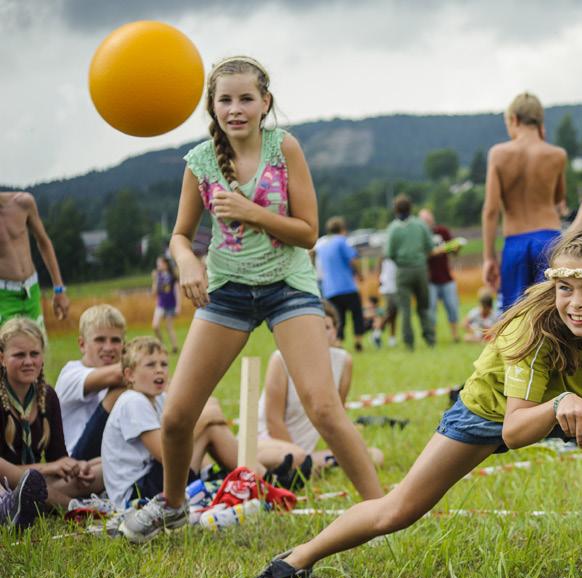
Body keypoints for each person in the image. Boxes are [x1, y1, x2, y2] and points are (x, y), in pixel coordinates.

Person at [249, 227, 582, 578]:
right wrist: (562, 403)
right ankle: (293, 563)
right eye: (566, 288)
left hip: (574, 401)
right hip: (492, 415)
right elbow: (518, 430)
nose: (577, 302)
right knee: (398, 509)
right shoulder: (534, 331)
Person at [119, 56, 383, 543]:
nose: (235, 109)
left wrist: (249, 210)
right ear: (212, 106)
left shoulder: (285, 148)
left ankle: (383, 512)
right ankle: (173, 507)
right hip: (228, 295)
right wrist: (187, 260)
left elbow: (307, 233)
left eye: (246, 99)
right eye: (225, 99)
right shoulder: (199, 162)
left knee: (324, 408)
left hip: (289, 289)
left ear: (265, 103)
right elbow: (181, 235)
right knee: (178, 415)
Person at [102, 337, 266, 509]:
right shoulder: (132, 401)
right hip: (136, 492)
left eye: (164, 365)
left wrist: (206, 418)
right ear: (129, 375)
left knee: (210, 425)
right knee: (208, 426)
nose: (159, 371)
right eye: (150, 365)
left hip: (152, 480)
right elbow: (164, 453)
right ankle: (260, 480)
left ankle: (256, 478)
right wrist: (204, 420)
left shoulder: (158, 399)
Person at [255, 300, 382, 483]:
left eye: (327, 327)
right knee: (296, 457)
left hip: (306, 454)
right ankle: (301, 469)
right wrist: (301, 459)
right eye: (315, 327)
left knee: (373, 456)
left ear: (336, 330)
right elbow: (273, 422)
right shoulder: (281, 359)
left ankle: (307, 467)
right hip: (268, 444)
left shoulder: (343, 361)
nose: (321, 332)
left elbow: (337, 416)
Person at [0, 317, 102, 514]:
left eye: (34, 354)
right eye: (19, 355)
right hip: (4, 484)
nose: (28, 361)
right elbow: (4, 470)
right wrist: (48, 468)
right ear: (2, 358)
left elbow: (58, 458)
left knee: (101, 467)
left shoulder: (47, 396)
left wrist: (73, 467)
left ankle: (28, 503)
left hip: (38, 484)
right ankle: (73, 507)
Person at [482, 92, 567, 309]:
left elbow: (491, 211)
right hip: (549, 239)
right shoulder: (557, 155)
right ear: (540, 122)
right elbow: (559, 198)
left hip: (515, 242)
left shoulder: (498, 154)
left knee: (514, 316)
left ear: (513, 119)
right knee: (551, 313)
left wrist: (489, 258)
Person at [54, 304, 127, 461]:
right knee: (122, 389)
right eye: (100, 340)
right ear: (82, 345)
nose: (108, 347)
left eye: (115, 340)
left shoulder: (124, 374)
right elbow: (119, 375)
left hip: (107, 456)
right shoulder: (71, 373)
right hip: (75, 461)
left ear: (123, 346)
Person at [0, 191, 69, 328]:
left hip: (31, 291)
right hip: (3, 298)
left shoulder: (23, 202)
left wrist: (59, 289)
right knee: (9, 348)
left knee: (38, 346)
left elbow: (44, 242)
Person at [385, 195, 435, 350]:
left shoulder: (393, 229)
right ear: (410, 207)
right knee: (423, 307)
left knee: (405, 309)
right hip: (420, 270)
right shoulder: (420, 225)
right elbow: (430, 247)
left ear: (395, 209)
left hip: (402, 271)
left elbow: (389, 253)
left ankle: (409, 343)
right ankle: (430, 339)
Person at [316, 217, 365, 351]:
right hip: (347, 285)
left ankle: (338, 341)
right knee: (356, 314)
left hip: (329, 288)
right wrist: (359, 274)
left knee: (338, 318)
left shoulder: (322, 244)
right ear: (342, 229)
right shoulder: (341, 241)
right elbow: (353, 260)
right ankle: (358, 340)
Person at [419, 209, 461, 343]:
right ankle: (433, 337)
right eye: (424, 220)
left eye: (429, 219)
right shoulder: (420, 235)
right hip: (430, 280)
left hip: (446, 277)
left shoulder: (443, 231)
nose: (428, 222)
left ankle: (455, 335)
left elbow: (453, 252)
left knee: (452, 307)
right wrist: (441, 250)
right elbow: (423, 254)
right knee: (431, 310)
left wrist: (456, 248)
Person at [151, 256, 180, 354]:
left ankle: (175, 347)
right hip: (160, 304)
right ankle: (162, 346)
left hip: (171, 304)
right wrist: (155, 279)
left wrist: (178, 306)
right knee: (155, 326)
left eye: (159, 263)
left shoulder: (172, 276)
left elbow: (177, 292)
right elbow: (154, 292)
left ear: (165, 264)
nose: (158, 265)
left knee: (169, 327)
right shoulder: (157, 275)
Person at [374, 257, 398, 348]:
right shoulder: (385, 257)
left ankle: (392, 339)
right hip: (388, 288)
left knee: (394, 314)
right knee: (389, 312)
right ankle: (376, 333)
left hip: (396, 287)